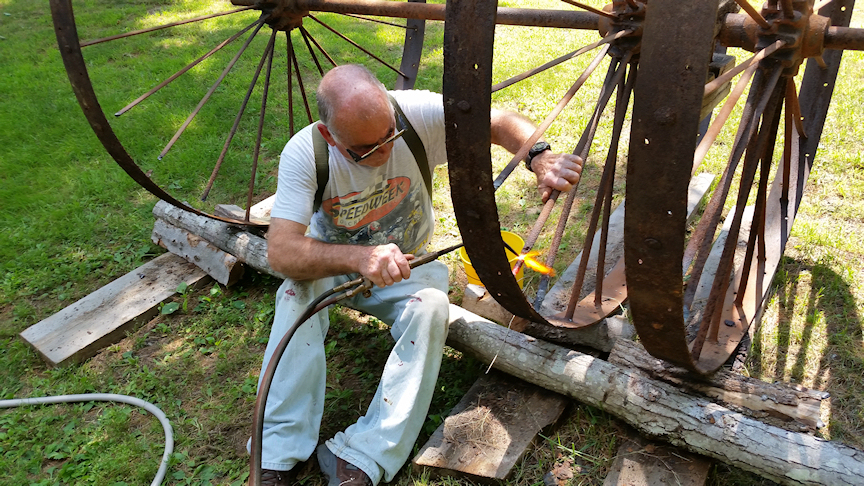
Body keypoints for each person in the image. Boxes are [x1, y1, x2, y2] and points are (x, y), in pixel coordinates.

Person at [254, 64, 583, 486]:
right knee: (294, 295)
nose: (383, 154)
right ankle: (277, 452)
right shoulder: (307, 152)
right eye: (364, 151)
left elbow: (497, 121)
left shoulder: (413, 114)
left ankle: (363, 456)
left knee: (432, 307)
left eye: (388, 137)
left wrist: (539, 156)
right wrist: (357, 259)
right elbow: (281, 251)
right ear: (329, 135)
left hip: (408, 265)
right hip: (334, 268)